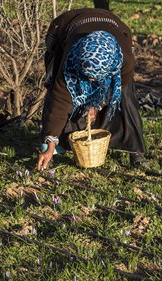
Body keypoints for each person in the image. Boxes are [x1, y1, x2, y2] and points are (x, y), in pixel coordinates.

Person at [37, 9, 146, 170]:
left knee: (125, 99)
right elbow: (59, 100)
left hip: (115, 27)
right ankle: (56, 146)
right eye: (88, 76)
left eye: (95, 77)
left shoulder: (125, 61)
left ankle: (135, 149)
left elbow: (116, 88)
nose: (90, 81)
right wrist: (50, 143)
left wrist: (98, 104)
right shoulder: (70, 58)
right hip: (65, 29)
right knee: (58, 90)